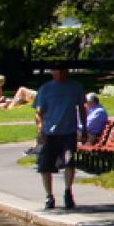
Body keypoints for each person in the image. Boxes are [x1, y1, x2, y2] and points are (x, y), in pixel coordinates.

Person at [32, 65, 82, 210]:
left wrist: (83, 128)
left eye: (62, 71)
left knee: (69, 161)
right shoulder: (45, 89)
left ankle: (68, 192)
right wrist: (40, 130)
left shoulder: (75, 87)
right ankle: (49, 196)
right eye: (57, 71)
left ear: (67, 72)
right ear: (52, 73)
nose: (60, 74)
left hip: (68, 132)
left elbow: (82, 108)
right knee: (45, 166)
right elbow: (38, 112)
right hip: (50, 134)